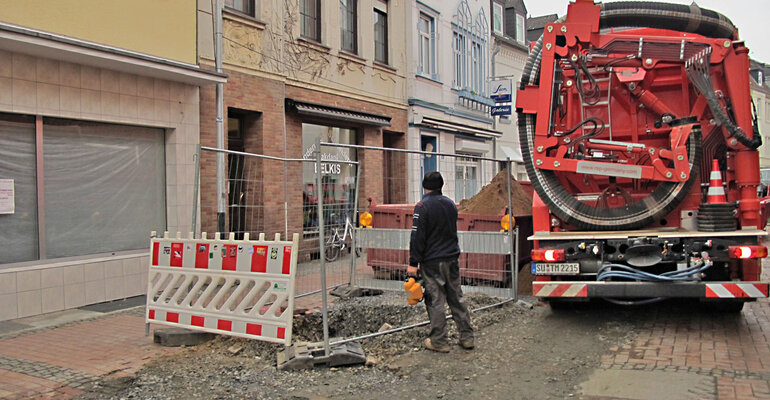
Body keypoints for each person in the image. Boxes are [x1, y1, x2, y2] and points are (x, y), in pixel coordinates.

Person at [408, 171, 474, 352]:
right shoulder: (450, 205)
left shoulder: (422, 207)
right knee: (456, 297)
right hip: (451, 258)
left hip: (432, 261)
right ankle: (467, 337)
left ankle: (439, 341)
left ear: (424, 185)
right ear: (441, 185)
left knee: (435, 300)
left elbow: (417, 237)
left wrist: (413, 263)